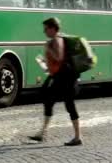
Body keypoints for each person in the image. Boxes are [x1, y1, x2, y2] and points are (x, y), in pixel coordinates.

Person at [29, 18, 83, 147]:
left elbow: (59, 57)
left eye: (46, 28)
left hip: (65, 78)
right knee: (48, 100)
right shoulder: (55, 40)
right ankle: (43, 133)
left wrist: (49, 48)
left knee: (68, 104)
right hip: (59, 77)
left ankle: (77, 137)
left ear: (53, 28)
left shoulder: (57, 40)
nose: (44, 31)